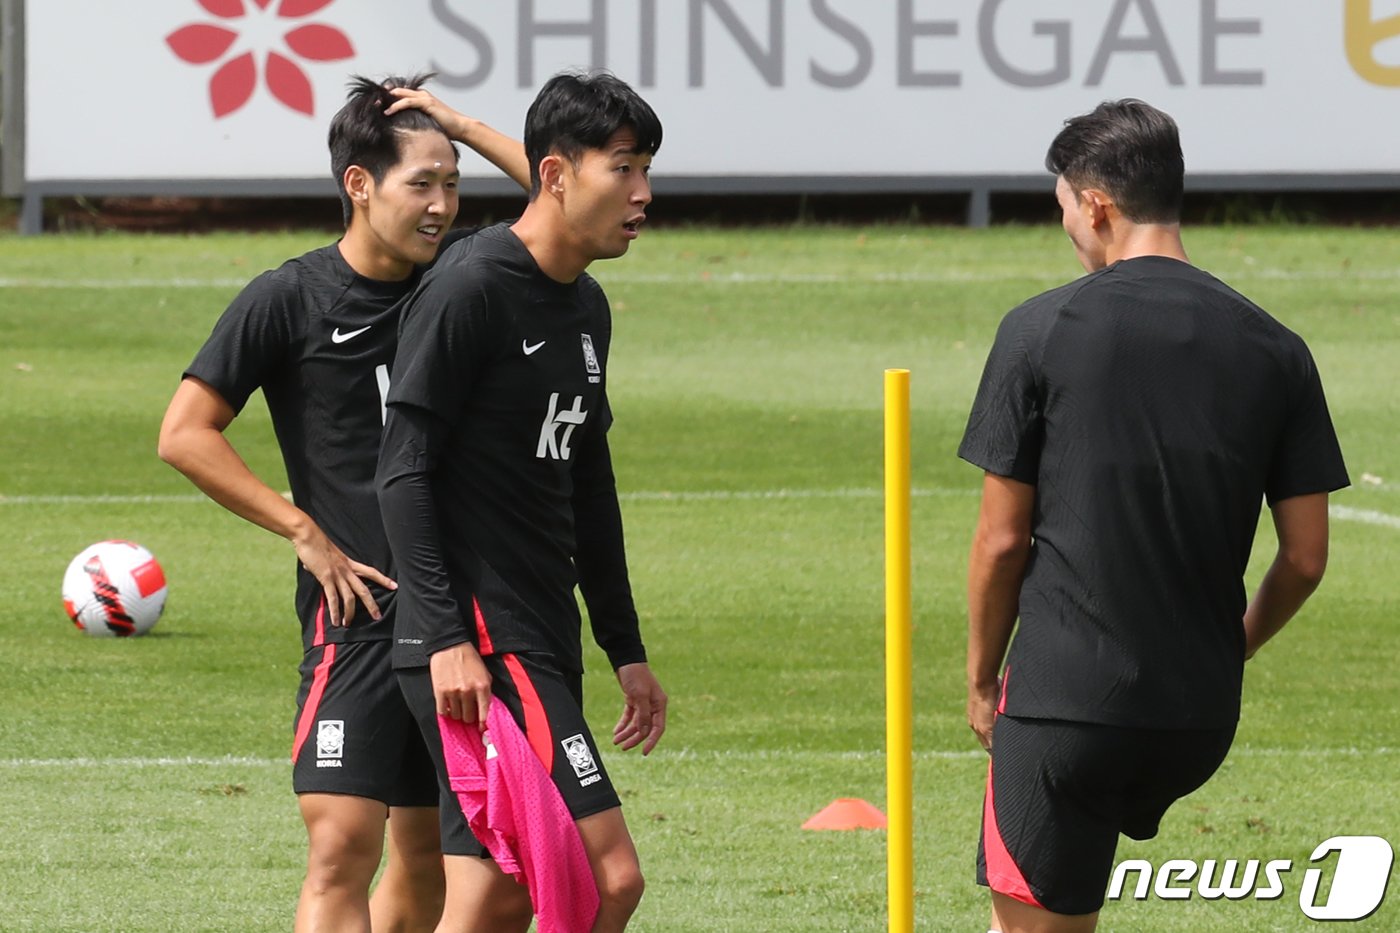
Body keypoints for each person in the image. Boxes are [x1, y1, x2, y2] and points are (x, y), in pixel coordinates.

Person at [958, 99, 1349, 933]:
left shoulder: (1039, 329)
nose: (1066, 227)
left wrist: (985, 678)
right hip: (1198, 716)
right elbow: (1307, 556)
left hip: (1067, 704)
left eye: (1063, 207)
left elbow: (999, 540)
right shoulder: (1276, 346)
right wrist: (1231, 643)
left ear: (1096, 204)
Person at [157, 74, 530, 933]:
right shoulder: (289, 299)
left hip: (460, 615)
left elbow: (562, 206)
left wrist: (458, 126)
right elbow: (185, 432)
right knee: (340, 847)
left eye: (452, 183)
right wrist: (302, 530)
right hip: (357, 611)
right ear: (358, 185)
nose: (441, 206)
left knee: (429, 854)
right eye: (421, 184)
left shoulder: (465, 277)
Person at [376, 70, 667, 933]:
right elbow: (403, 471)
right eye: (624, 168)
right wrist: (449, 639)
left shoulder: (586, 305)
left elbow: (589, 484)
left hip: (540, 633)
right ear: (555, 174)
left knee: (497, 895)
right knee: (608, 877)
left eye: (647, 168)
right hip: (483, 649)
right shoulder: (471, 289)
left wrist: (625, 644)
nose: (644, 193)